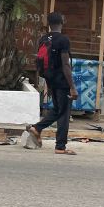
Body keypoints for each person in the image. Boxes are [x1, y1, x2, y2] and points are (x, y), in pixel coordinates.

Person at [28, 11, 79, 155]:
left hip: (51, 80)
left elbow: (42, 63)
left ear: (48, 24)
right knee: (64, 114)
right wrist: (72, 87)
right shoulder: (63, 40)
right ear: (62, 22)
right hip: (62, 82)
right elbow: (65, 65)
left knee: (57, 109)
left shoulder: (43, 39)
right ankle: (60, 147)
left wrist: (49, 84)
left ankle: (37, 128)